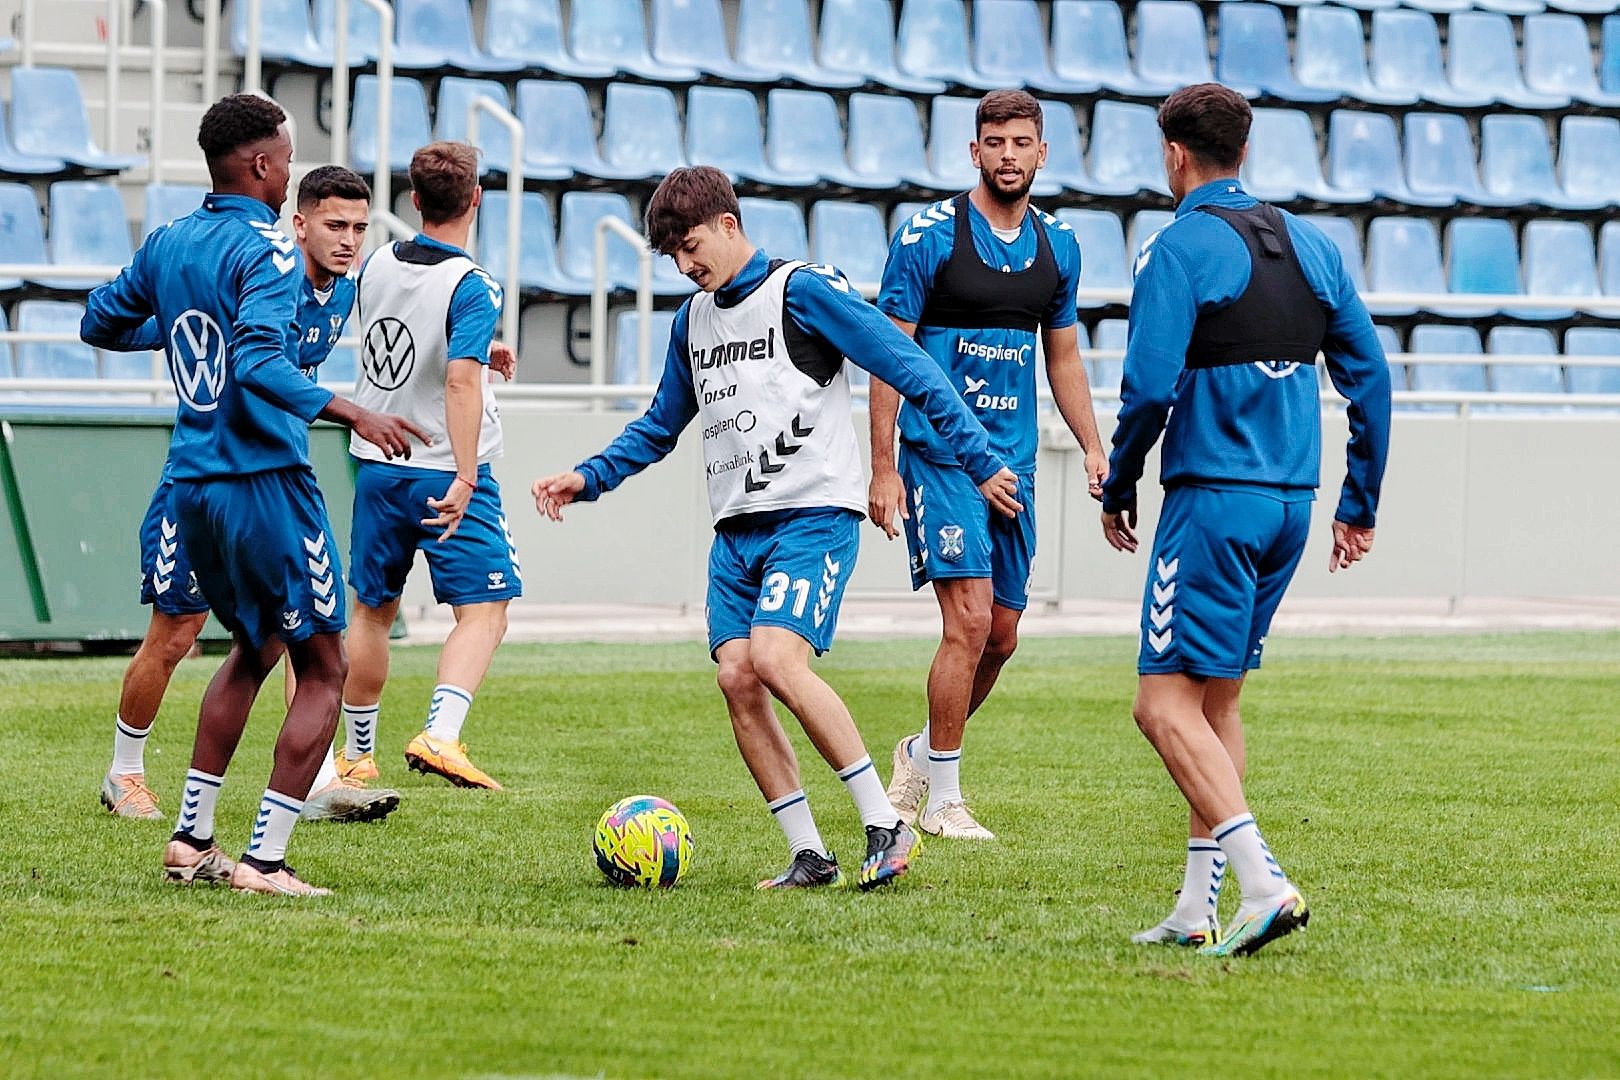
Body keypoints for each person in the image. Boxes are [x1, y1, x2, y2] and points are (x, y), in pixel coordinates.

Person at [532, 166, 1023, 890]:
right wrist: (590, 477)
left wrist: (977, 460)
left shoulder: (803, 291)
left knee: (774, 657)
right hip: (737, 533)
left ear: (729, 225)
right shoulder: (691, 321)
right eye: (671, 257)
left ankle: (885, 826)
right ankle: (809, 854)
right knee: (738, 675)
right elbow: (661, 425)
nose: (684, 266)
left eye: (691, 247)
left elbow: (908, 365)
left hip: (813, 514)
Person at [82, 94, 427, 896]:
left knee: (255, 647)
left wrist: (176, 319)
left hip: (193, 481)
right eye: (286, 155)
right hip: (264, 481)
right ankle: (265, 861)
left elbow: (100, 321)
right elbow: (261, 364)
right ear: (264, 165)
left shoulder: (170, 242)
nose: (289, 170)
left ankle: (190, 840)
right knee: (324, 667)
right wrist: (355, 412)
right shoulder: (268, 255)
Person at [1099, 84, 1391, 957]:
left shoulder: (1178, 247)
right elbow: (1369, 378)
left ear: (1175, 155)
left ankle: (1262, 884)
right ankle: (1197, 907)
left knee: (1160, 705)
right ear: (1245, 153)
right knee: (1215, 698)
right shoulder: (1312, 245)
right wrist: (1359, 502)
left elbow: (1149, 385)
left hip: (1213, 502)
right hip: (1290, 505)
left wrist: (1121, 480)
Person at [869, 89, 1108, 841]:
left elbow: (1063, 358)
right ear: (973, 152)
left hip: (1016, 464)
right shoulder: (928, 238)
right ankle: (943, 800)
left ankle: (918, 752)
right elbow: (886, 352)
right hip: (941, 460)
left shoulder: (1059, 246)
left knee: (1002, 636)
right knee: (967, 622)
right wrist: (883, 464)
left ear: (1043, 153)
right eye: (994, 143)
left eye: (1021, 143)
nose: (1008, 155)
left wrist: (1096, 445)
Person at [341, 141, 517, 791]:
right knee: (485, 609)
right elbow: (459, 385)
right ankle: (441, 735)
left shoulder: (378, 261)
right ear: (475, 200)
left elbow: (410, 333)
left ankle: (357, 756)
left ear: (414, 200)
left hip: (378, 465)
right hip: (443, 468)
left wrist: (478, 348)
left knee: (372, 611)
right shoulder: (472, 283)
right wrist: (468, 476)